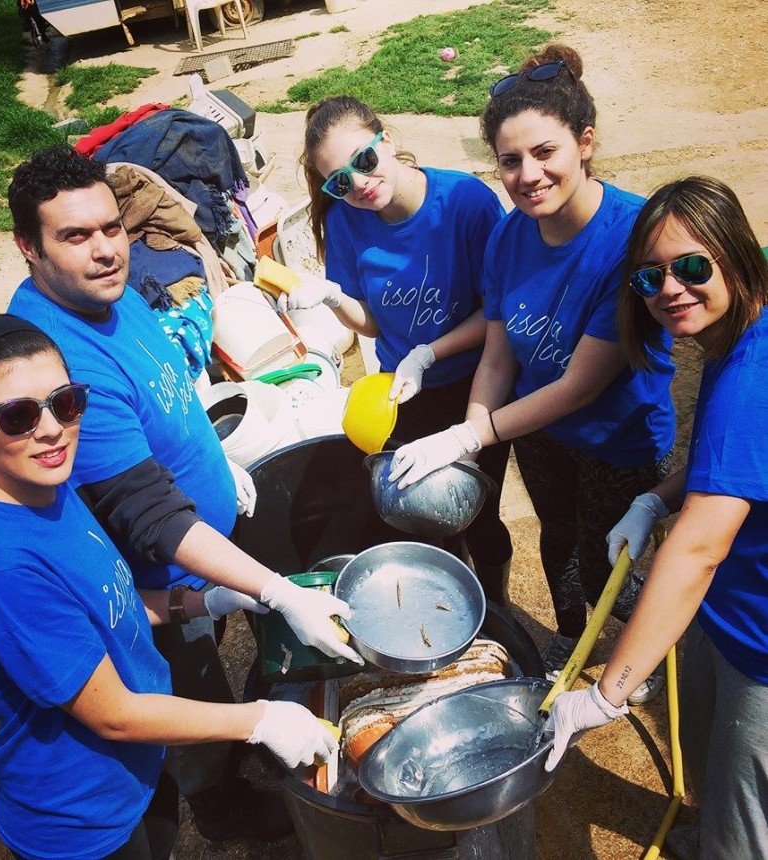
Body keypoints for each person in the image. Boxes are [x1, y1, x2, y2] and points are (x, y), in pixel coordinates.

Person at [5, 145, 361, 843]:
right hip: (158, 577)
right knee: (185, 686)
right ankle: (223, 805)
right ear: (29, 248)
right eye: (74, 236)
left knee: (210, 661)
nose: (106, 250)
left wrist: (211, 455)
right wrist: (279, 592)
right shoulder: (57, 361)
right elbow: (151, 519)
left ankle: (233, 752)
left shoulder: (107, 290)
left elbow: (165, 388)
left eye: (111, 227)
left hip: (202, 554)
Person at [0, 314, 338, 860]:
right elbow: (113, 714)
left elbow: (112, 604)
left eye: (65, 402)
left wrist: (205, 600)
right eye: (19, 415)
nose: (51, 429)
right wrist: (257, 720)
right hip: (83, 813)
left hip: (139, 765)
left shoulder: (48, 490)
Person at [388, 44, 676, 703]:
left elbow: (582, 384)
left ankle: (639, 655)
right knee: (560, 540)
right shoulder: (511, 234)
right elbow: (499, 351)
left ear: (585, 142)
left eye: (546, 152)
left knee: (617, 560)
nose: (529, 175)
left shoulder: (630, 237)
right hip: (542, 435)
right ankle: (572, 635)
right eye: (511, 161)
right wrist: (469, 431)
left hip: (618, 436)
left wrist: (469, 439)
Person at [546, 176, 768, 859]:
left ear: (736, 254)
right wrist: (658, 497)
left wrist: (607, 695)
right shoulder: (737, 335)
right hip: (727, 611)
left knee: (744, 826)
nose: (671, 289)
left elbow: (698, 549)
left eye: (693, 267)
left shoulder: (750, 374)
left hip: (762, 641)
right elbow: (731, 465)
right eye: (651, 276)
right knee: (702, 747)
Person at [286, 94, 513, 606]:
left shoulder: (465, 203)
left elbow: (496, 312)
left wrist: (429, 352)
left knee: (475, 509)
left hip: (476, 384)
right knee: (423, 513)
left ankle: (495, 609)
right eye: (339, 181)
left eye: (363, 160)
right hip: (404, 393)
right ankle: (450, 605)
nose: (359, 183)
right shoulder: (346, 221)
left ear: (386, 141)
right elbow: (371, 320)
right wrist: (335, 297)